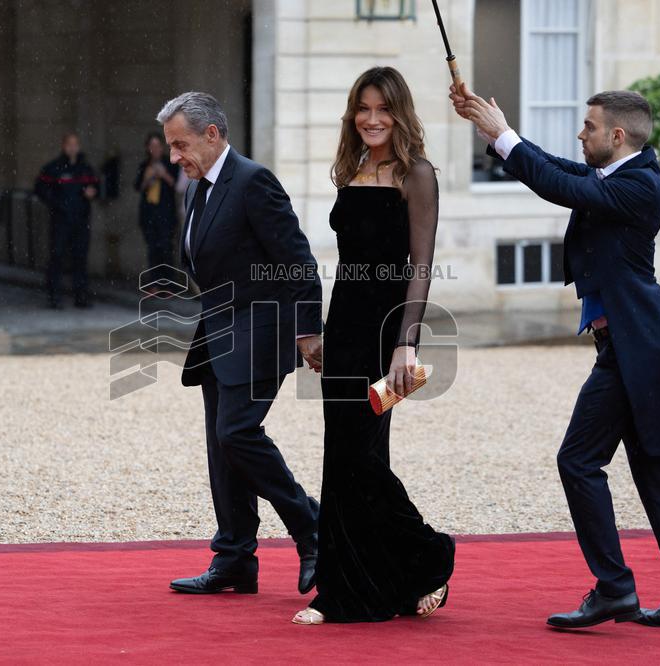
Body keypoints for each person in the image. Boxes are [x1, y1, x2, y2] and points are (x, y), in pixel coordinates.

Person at [452, 82, 660, 631]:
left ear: (617, 135)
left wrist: (505, 139)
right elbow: (559, 171)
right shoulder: (615, 174)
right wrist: (502, 133)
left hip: (635, 348)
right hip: (636, 344)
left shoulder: (640, 185)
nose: (581, 133)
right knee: (652, 469)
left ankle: (616, 588)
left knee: (579, 460)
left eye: (589, 126)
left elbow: (557, 186)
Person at [291, 67, 455, 625]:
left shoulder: (418, 174)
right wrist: (324, 336)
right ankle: (363, 583)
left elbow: (421, 266)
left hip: (388, 329)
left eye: (382, 108)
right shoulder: (353, 168)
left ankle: (430, 556)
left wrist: (405, 345)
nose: (371, 118)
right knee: (343, 455)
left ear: (399, 112)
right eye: (362, 108)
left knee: (357, 456)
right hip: (347, 322)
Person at [157, 91, 322, 597]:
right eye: (170, 146)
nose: (173, 157)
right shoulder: (195, 188)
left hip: (263, 329)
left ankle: (313, 529)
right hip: (217, 333)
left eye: (180, 144)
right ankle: (233, 559)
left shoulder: (253, 182)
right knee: (220, 448)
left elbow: (299, 262)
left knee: (236, 435)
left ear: (213, 135)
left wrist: (308, 330)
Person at [35, 132, 98, 309]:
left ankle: (81, 296)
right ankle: (54, 297)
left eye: (75, 144)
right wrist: (56, 203)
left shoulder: (85, 168)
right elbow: (40, 188)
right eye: (69, 144)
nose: (72, 147)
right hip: (60, 221)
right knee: (57, 257)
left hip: (81, 220)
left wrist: (92, 192)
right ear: (64, 146)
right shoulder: (53, 168)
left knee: (80, 258)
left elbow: (96, 187)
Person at [134, 132, 179, 294]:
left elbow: (177, 185)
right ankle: (154, 282)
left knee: (166, 247)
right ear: (148, 148)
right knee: (152, 247)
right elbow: (138, 187)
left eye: (158, 146)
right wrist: (148, 178)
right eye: (152, 147)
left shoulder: (171, 163)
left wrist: (163, 174)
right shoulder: (144, 165)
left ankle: (168, 285)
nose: (155, 149)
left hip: (166, 213)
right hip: (149, 213)